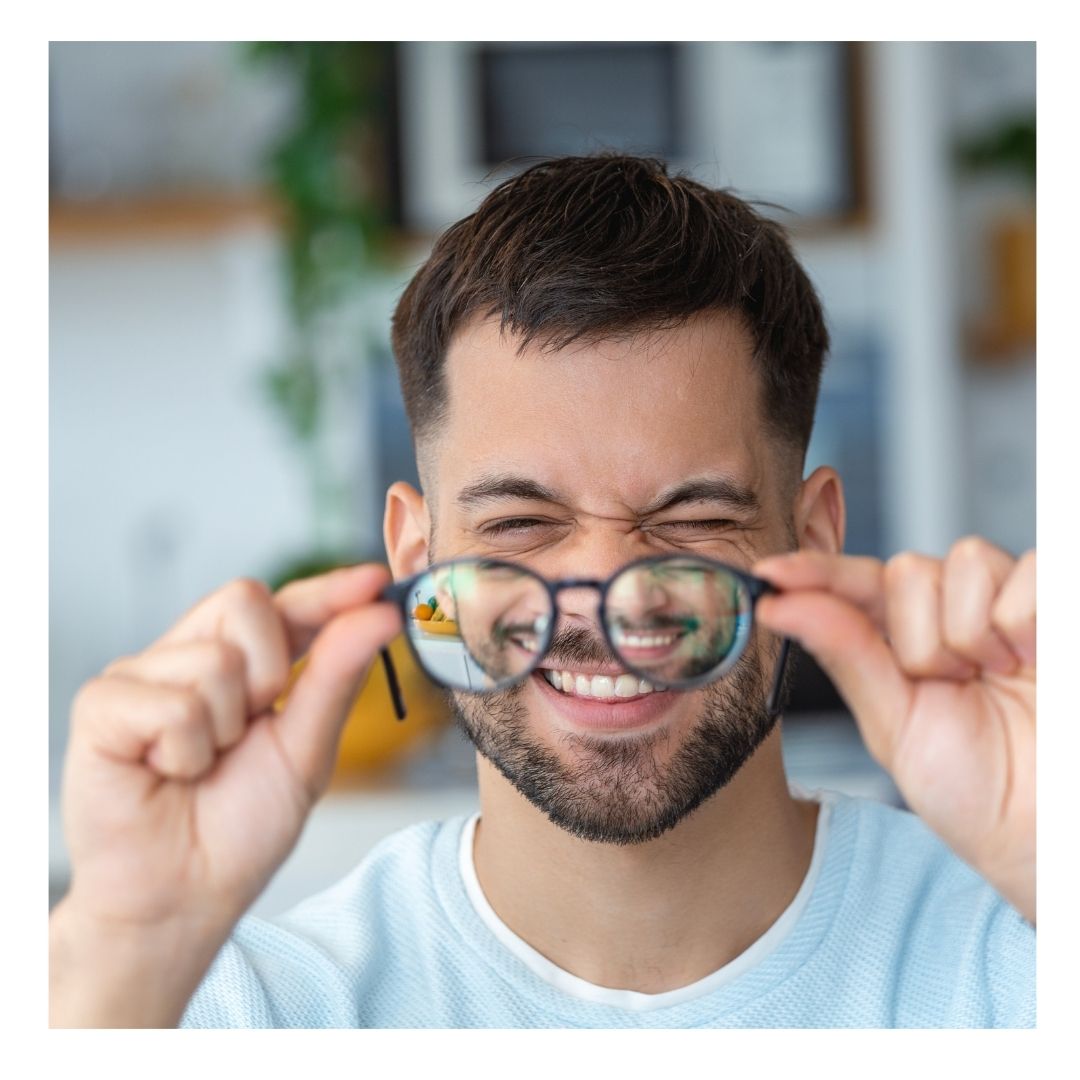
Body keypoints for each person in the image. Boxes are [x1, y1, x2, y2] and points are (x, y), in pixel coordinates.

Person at [49, 154, 1035, 1028]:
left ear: (812, 538)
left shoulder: (1022, 951)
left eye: (691, 519)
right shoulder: (234, 1015)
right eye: (520, 523)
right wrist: (126, 946)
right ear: (413, 561)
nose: (606, 592)